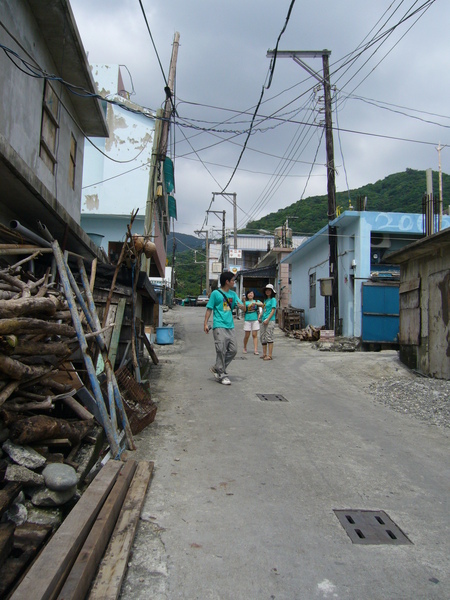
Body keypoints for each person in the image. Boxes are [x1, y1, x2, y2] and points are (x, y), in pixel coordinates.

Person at [204, 271, 245, 385]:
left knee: (233, 350)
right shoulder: (215, 294)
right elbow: (209, 309)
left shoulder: (233, 295)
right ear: (227, 281)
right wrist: (205, 324)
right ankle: (222, 374)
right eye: (233, 280)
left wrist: (244, 305)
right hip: (219, 325)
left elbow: (243, 308)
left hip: (230, 326)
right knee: (221, 350)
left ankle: (217, 367)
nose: (234, 282)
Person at [260, 283, 277, 361]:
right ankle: (264, 354)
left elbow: (273, 310)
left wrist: (268, 319)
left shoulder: (273, 300)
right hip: (264, 320)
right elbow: (264, 309)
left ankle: (269, 355)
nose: (267, 292)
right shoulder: (266, 300)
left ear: (272, 291)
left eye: (269, 290)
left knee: (269, 336)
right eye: (266, 290)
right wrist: (260, 315)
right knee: (263, 337)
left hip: (270, 320)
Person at [243, 290, 263, 355]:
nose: (250, 294)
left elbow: (262, 305)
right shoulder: (246, 302)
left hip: (255, 320)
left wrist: (254, 303)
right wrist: (243, 302)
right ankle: (245, 347)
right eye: (249, 293)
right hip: (247, 320)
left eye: (251, 293)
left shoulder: (256, 301)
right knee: (247, 335)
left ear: (253, 294)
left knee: (255, 335)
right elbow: (244, 310)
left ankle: (255, 350)